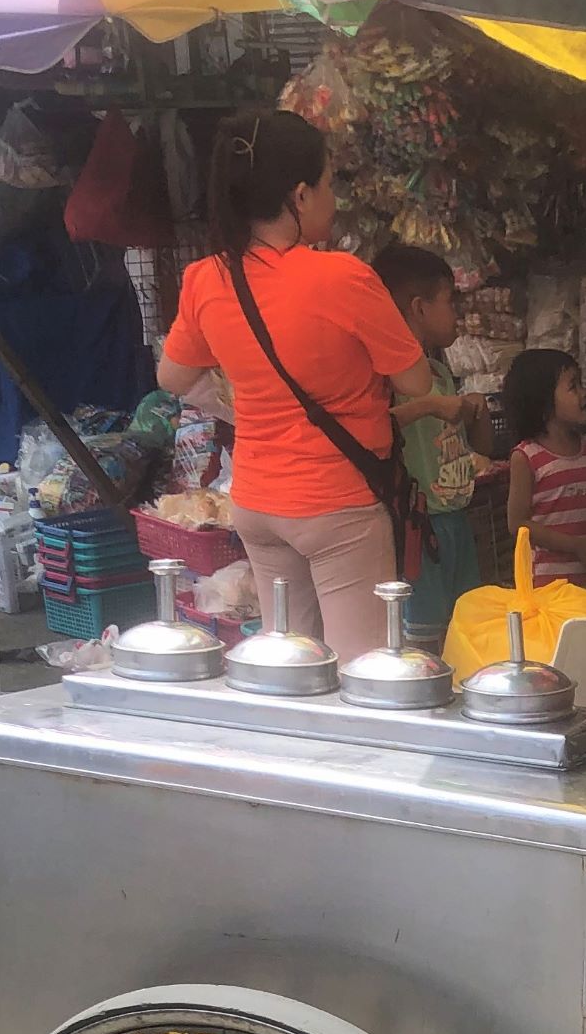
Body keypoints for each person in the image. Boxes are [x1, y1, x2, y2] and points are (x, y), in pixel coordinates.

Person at [157, 108, 456, 663]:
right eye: (327, 184)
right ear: (299, 195)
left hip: (257, 502)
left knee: (288, 666)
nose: (333, 199)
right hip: (337, 506)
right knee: (359, 671)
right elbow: (416, 381)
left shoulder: (206, 278)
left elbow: (173, 376)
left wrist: (243, 402)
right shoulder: (342, 277)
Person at [373, 243, 493, 644]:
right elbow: (377, 424)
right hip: (418, 527)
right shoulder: (385, 378)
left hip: (455, 519)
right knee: (424, 642)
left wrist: (474, 411)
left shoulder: (440, 371)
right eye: (449, 301)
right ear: (420, 308)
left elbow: (481, 447)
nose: (456, 314)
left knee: (467, 632)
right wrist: (429, 406)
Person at [503, 349, 586, 586]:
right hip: (547, 584)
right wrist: (576, 545)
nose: (584, 394)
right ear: (544, 401)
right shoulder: (527, 456)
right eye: (573, 387)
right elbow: (517, 524)